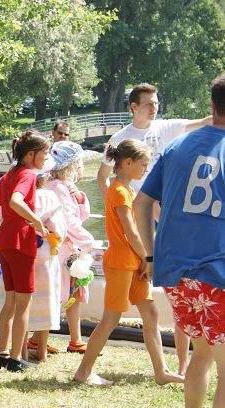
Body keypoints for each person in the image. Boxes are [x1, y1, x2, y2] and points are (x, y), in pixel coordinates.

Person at [134, 73, 225, 408]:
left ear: (212, 105)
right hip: (218, 273)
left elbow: (141, 203)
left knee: (203, 355)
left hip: (179, 274)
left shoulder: (176, 147)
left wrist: (151, 256)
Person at [97, 83, 212, 374]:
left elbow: (206, 121)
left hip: (166, 216)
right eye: (148, 103)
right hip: (135, 222)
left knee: (173, 288)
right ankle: (87, 368)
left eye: (156, 103)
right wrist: (117, 210)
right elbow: (103, 177)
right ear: (134, 106)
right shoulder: (121, 139)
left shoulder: (166, 127)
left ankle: (180, 365)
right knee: (120, 310)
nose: (154, 108)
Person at [73, 139, 184, 386]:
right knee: (111, 319)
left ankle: (161, 371)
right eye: (144, 164)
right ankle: (83, 372)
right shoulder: (119, 192)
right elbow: (131, 232)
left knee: (151, 312)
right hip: (122, 263)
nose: (147, 169)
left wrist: (145, 260)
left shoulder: (129, 190)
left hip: (136, 263)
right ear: (127, 162)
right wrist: (148, 257)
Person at [0, 129, 50, 372]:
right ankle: (16, 359)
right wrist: (37, 221)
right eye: (44, 153)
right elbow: (17, 202)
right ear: (31, 155)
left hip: (5, 241)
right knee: (23, 303)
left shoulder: (10, 174)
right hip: (21, 241)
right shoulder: (28, 174)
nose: (46, 158)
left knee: (10, 300)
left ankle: (2, 353)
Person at [43, 141, 95, 354]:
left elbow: (80, 215)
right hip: (63, 249)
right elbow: (69, 222)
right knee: (59, 293)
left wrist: (80, 197)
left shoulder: (63, 187)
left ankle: (76, 338)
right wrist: (87, 241)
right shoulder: (57, 188)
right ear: (72, 164)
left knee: (74, 292)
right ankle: (39, 338)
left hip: (68, 248)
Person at [23, 167, 66, 362]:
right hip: (47, 251)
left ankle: (21, 349)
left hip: (24, 248)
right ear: (46, 176)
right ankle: (42, 352)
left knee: (23, 300)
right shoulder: (49, 196)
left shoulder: (22, 195)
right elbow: (58, 229)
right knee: (46, 301)